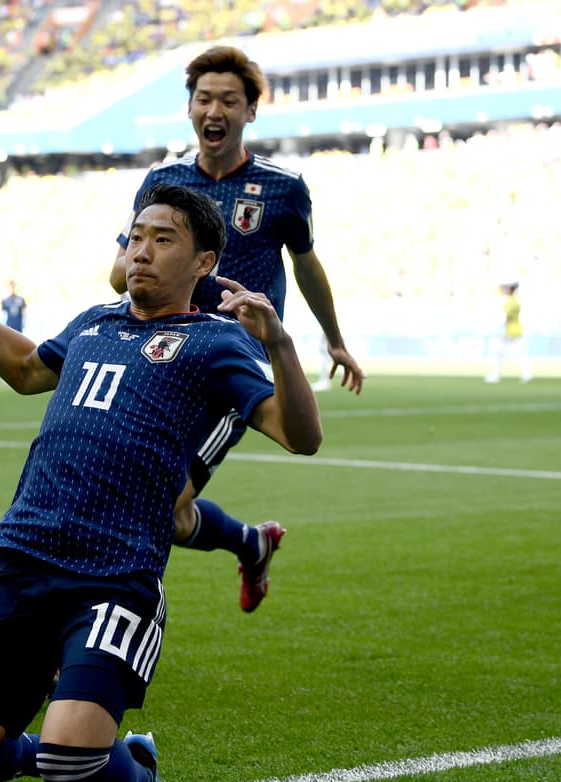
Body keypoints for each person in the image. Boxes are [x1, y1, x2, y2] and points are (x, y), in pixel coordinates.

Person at [0, 183, 322, 782]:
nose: (141, 251)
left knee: (73, 764)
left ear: (204, 262)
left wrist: (281, 345)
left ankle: (136, 775)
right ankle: (82, 747)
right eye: (136, 237)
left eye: (163, 239)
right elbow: (22, 369)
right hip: (20, 556)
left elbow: (300, 436)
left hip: (115, 574)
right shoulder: (94, 321)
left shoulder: (215, 341)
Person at [108, 45, 363, 613]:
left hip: (230, 366)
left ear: (251, 111)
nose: (213, 110)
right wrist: (133, 258)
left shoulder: (282, 188)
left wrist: (335, 341)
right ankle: (252, 543)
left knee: (158, 501)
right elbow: (119, 273)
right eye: (204, 99)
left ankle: (100, 626)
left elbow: (306, 265)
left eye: (228, 99)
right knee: (166, 512)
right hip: (159, 358)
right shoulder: (162, 181)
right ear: (190, 109)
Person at [485, 282, 532, 384]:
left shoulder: (508, 302)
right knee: (522, 354)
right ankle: (526, 374)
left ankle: (495, 375)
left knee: (498, 354)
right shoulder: (516, 301)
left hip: (508, 331)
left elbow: (505, 318)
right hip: (518, 330)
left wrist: (498, 329)